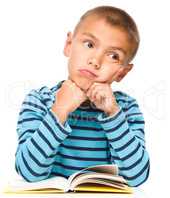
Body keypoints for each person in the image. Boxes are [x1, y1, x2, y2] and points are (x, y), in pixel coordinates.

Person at [15, 5, 150, 187]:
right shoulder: (38, 101)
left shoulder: (125, 109)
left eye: (113, 56)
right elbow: (28, 172)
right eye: (89, 44)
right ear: (69, 45)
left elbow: (137, 177)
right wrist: (59, 110)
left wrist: (112, 114)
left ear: (122, 72)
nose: (95, 61)